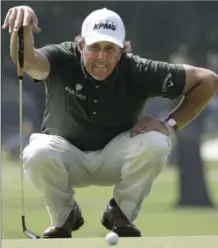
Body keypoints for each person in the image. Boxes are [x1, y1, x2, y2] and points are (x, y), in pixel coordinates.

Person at [2, 6, 218, 239]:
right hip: (67, 157)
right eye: (94, 47)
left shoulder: (138, 69)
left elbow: (207, 80)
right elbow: (27, 60)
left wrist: (169, 123)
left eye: (110, 49)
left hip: (116, 157)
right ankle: (64, 217)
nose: (101, 57)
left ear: (122, 50)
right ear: (81, 45)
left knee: (157, 141)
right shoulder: (62, 57)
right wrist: (22, 30)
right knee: (37, 152)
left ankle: (121, 213)